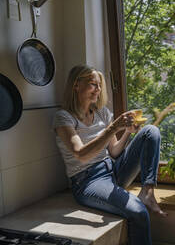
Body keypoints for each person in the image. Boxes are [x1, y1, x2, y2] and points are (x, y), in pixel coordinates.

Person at [53, 64, 167, 245]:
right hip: (88, 181)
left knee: (150, 131)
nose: (98, 89)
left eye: (99, 85)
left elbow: (114, 151)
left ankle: (147, 190)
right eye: (92, 84)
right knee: (138, 212)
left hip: (113, 170)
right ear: (76, 85)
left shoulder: (102, 113)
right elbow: (81, 154)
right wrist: (113, 127)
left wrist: (127, 131)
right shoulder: (63, 117)